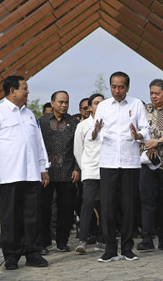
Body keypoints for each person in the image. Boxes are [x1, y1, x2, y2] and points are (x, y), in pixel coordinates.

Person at [0, 75, 50, 270]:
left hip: (31, 175)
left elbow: (38, 143)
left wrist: (43, 168)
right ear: (13, 91)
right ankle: (11, 256)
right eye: (24, 88)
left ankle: (33, 253)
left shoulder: (29, 115)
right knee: (10, 218)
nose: (28, 92)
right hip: (7, 175)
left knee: (33, 216)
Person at [89, 71, 150, 263]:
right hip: (108, 163)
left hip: (130, 162)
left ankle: (127, 248)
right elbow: (94, 136)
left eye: (121, 87)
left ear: (127, 87)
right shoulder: (104, 106)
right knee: (107, 207)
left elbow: (145, 130)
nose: (117, 90)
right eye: (114, 87)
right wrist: (96, 131)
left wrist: (138, 136)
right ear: (110, 87)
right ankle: (109, 249)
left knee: (128, 206)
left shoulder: (136, 104)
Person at [137, 79, 163, 252]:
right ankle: (147, 238)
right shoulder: (144, 110)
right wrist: (148, 143)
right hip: (146, 163)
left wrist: (159, 142)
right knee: (147, 202)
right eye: (151, 93)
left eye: (157, 93)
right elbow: (137, 130)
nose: (153, 96)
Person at [38, 90, 80, 253]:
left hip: (68, 172)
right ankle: (44, 242)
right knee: (44, 209)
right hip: (46, 173)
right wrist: (41, 169)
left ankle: (62, 242)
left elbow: (78, 148)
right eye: (61, 102)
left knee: (66, 209)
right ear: (53, 103)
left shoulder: (74, 122)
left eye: (66, 102)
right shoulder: (41, 122)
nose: (64, 105)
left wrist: (77, 168)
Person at [73, 93, 105, 254]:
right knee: (87, 204)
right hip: (90, 171)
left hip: (108, 171)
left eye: (101, 102)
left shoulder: (111, 124)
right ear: (90, 107)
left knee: (106, 205)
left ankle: (102, 239)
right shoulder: (83, 126)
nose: (99, 106)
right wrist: (84, 167)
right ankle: (83, 239)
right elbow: (78, 150)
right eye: (96, 103)